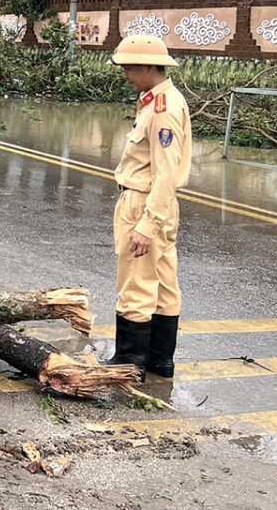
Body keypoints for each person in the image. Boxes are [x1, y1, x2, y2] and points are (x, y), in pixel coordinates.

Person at [104, 35, 192, 381]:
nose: (125, 73)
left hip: (144, 202)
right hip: (160, 203)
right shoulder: (160, 100)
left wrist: (146, 224)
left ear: (149, 66)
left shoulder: (163, 108)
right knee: (164, 282)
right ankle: (159, 360)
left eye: (129, 67)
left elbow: (166, 171)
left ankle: (129, 363)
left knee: (136, 283)